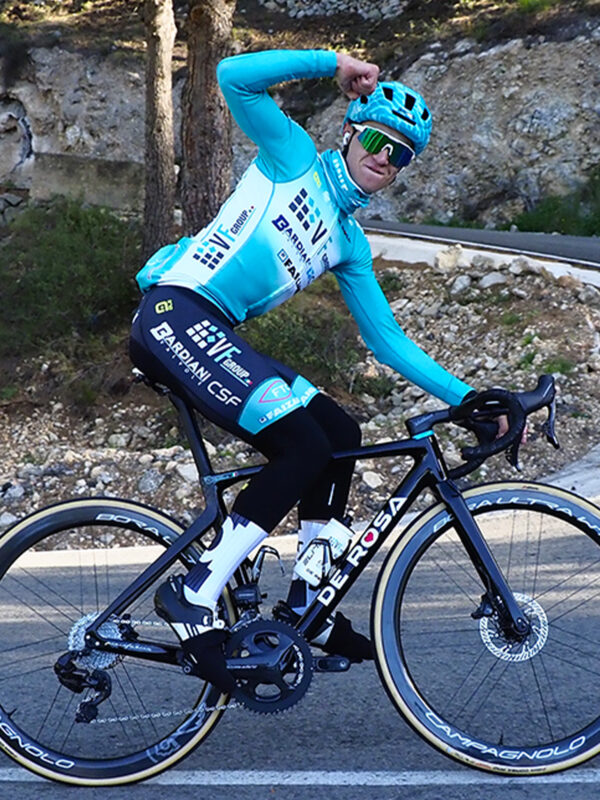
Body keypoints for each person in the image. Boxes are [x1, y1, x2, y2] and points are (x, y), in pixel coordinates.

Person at [129, 49, 475, 694]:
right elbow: (232, 78)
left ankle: (306, 604)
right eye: (379, 141)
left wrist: (471, 398)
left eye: (402, 156)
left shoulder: (350, 242)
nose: (386, 159)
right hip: (176, 313)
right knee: (303, 445)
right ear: (350, 131)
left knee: (339, 433)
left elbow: (388, 341)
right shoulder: (293, 157)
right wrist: (331, 63)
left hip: (212, 329)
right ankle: (196, 592)